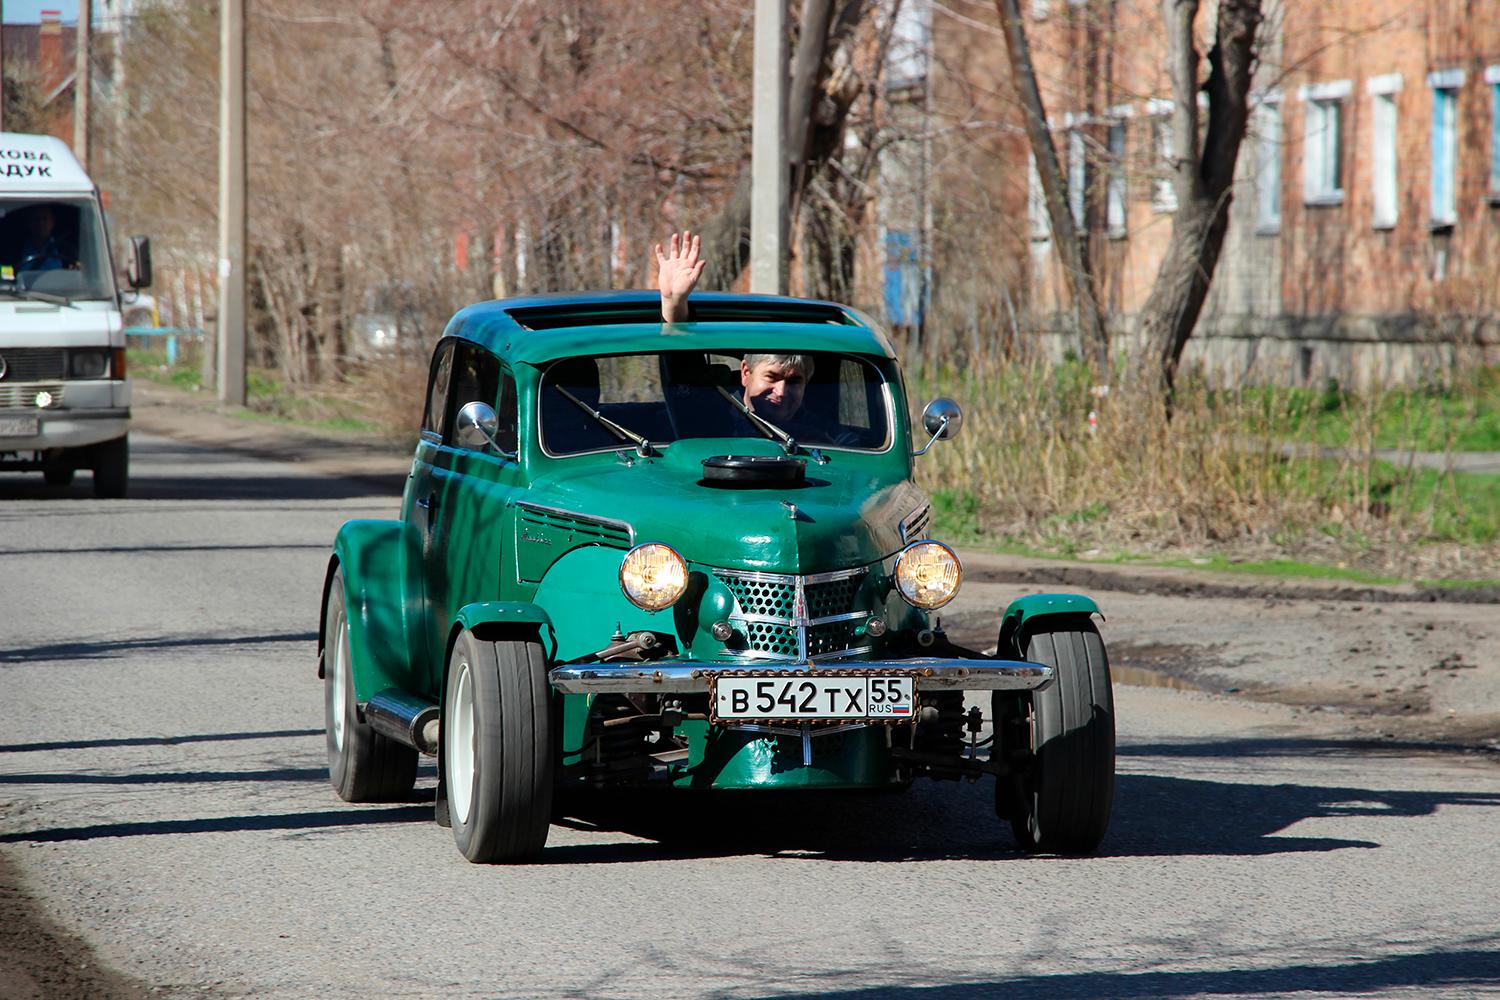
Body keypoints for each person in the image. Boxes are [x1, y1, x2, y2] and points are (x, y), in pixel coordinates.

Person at [654, 230, 814, 429]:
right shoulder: (713, 418)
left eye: (794, 381)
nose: (781, 391)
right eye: (771, 377)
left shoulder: (824, 437)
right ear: (746, 373)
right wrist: (674, 304)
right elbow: (680, 364)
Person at [15, 204, 77, 272]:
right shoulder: (16, 250)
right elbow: (7, 276)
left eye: (45, 219)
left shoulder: (67, 250)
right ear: (29, 222)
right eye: (36, 219)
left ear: (52, 222)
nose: (41, 223)